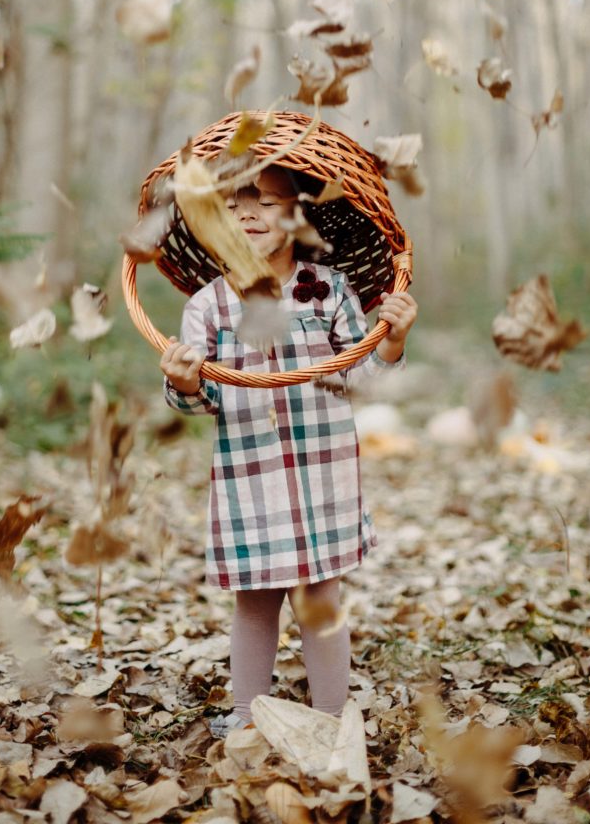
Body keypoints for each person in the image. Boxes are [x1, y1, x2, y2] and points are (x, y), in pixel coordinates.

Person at [160, 164, 417, 737]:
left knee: (320, 595)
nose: (249, 214)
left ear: (297, 215)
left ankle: (330, 717)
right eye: (233, 206)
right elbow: (200, 400)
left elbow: (361, 377)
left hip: (322, 472)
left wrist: (392, 340)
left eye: (268, 202)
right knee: (255, 601)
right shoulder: (210, 307)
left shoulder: (328, 290)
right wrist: (182, 382)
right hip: (249, 474)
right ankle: (248, 717)